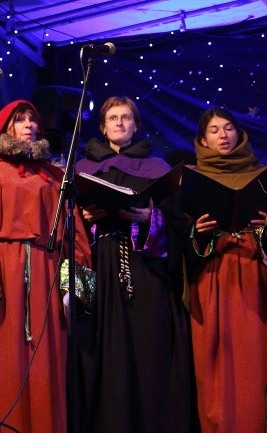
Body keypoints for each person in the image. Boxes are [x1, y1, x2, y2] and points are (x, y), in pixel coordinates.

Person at [0, 100, 94, 433]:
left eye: (33, 119)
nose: (29, 124)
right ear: (6, 128)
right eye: (20, 120)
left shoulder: (54, 178)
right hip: (2, 273)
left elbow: (73, 235)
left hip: (47, 271)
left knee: (46, 362)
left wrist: (72, 290)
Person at [75, 96, 195, 433]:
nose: (119, 123)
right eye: (113, 118)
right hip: (101, 262)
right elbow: (67, 223)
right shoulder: (82, 168)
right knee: (106, 346)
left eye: (126, 117)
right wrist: (84, 218)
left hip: (145, 267)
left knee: (149, 344)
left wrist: (150, 218)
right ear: (102, 127)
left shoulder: (157, 167)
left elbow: (177, 224)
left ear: (136, 125)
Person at [185, 107, 267, 433]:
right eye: (215, 130)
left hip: (253, 273)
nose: (223, 135)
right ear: (203, 139)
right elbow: (179, 235)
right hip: (211, 276)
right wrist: (197, 232)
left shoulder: (260, 175)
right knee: (213, 361)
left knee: (252, 359)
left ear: (239, 134)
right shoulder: (192, 177)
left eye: (229, 128)